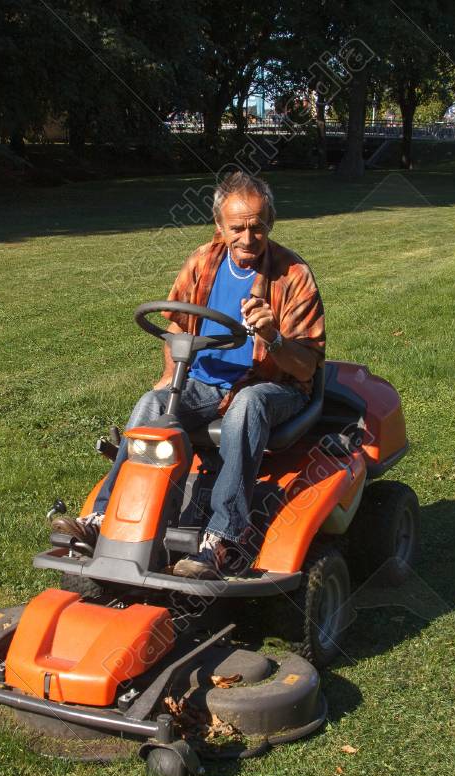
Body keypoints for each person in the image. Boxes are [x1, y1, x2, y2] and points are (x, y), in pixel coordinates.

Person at [51, 171, 326, 578]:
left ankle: (222, 539)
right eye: (237, 229)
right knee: (151, 403)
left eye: (257, 227)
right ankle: (103, 519)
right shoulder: (203, 261)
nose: (248, 239)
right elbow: (178, 324)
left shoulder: (293, 275)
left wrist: (275, 338)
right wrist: (168, 375)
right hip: (203, 382)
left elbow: (307, 366)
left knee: (247, 405)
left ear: (269, 223)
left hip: (273, 385)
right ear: (220, 227)